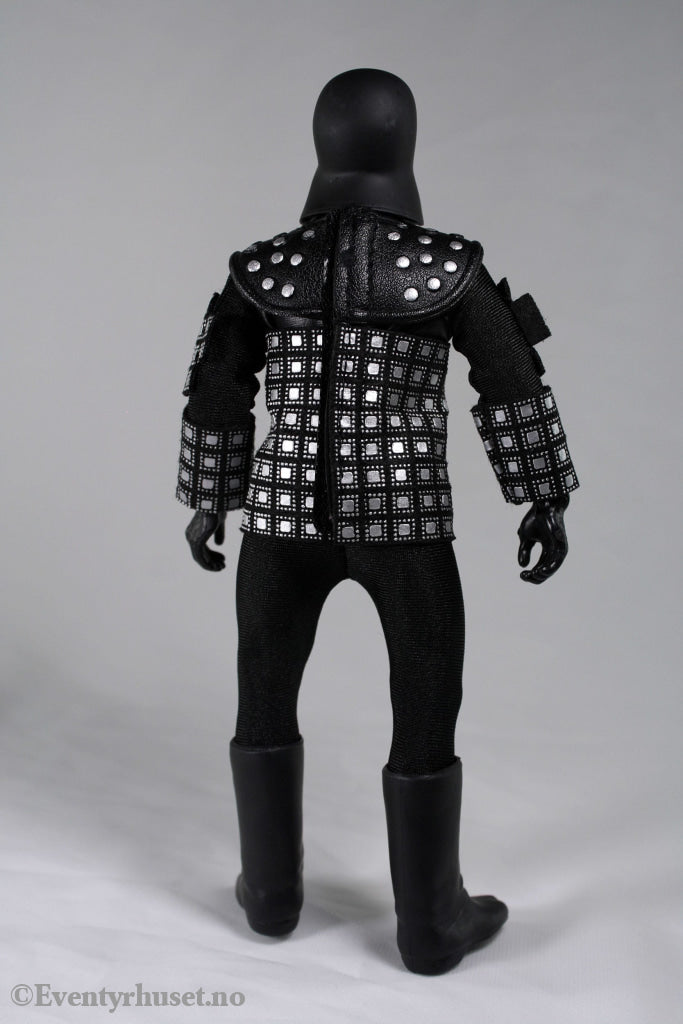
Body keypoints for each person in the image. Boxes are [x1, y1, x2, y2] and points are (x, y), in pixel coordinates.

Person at [175, 68, 578, 975]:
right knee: (426, 700)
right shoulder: (446, 267)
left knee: (263, 688)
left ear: (321, 145)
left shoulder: (262, 268)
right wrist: (541, 493)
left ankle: (270, 897)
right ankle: (430, 924)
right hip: (405, 522)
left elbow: (217, 386)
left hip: (279, 520)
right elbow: (510, 374)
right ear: (405, 145)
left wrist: (211, 498)